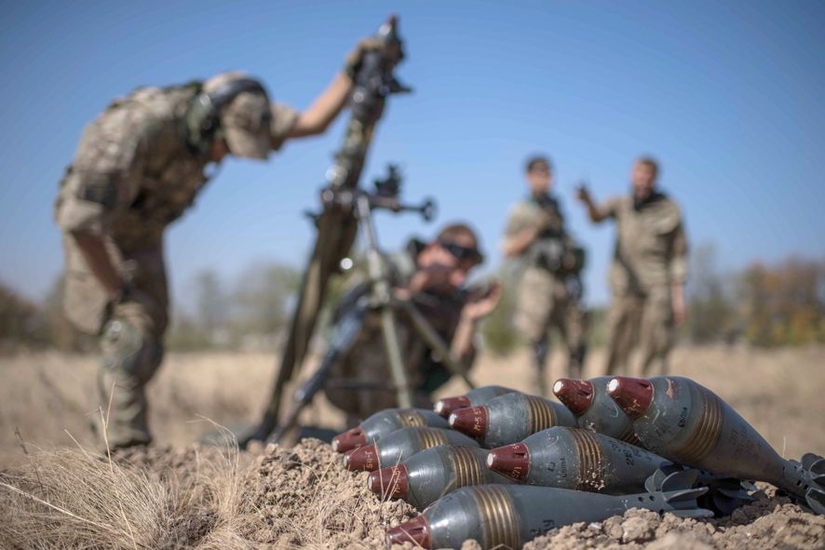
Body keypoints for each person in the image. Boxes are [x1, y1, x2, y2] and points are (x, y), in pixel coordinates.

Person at [53, 36, 389, 450]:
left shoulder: (240, 114)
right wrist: (120, 292)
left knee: (151, 338)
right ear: (204, 122)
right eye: (222, 146)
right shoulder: (132, 129)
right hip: (99, 237)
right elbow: (81, 225)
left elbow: (312, 123)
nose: (219, 158)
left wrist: (351, 71)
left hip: (145, 233)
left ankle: (124, 436)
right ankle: (121, 455)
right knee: (130, 333)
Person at [322, 223, 502, 425]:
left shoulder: (449, 298)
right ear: (434, 249)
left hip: (408, 395)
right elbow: (352, 320)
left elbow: (455, 363)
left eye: (466, 273)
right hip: (347, 382)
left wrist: (468, 319)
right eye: (457, 268)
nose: (460, 280)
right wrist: (414, 288)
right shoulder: (387, 268)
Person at [576, 156, 688, 377]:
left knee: (656, 345)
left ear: (655, 178)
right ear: (632, 175)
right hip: (624, 285)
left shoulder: (669, 209)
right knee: (617, 343)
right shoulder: (621, 204)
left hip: (657, 286)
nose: (642, 179)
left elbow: (679, 254)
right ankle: (612, 399)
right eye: (638, 174)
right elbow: (596, 217)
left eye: (648, 175)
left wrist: (678, 296)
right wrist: (587, 201)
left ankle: (653, 400)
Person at [501, 155, 586, 396]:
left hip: (563, 280)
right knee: (538, 344)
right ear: (528, 177)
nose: (546, 178)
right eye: (540, 173)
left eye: (549, 172)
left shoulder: (556, 207)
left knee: (576, 341)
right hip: (537, 281)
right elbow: (508, 248)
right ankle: (539, 401)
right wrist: (534, 229)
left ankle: (576, 398)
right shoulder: (522, 209)